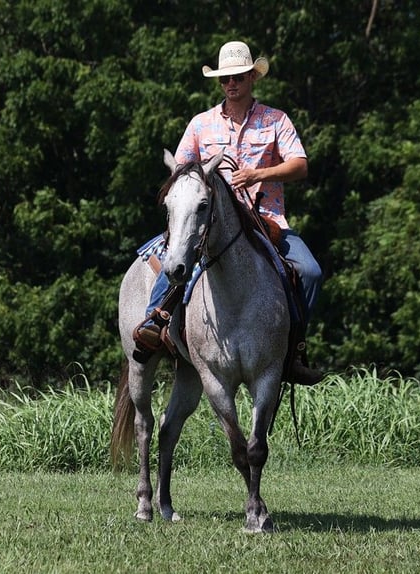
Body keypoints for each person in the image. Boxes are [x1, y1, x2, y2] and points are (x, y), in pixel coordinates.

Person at [134, 40, 323, 385]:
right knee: (176, 254)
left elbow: (299, 166)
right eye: (225, 79)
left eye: (237, 77)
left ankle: (293, 351)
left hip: (266, 219)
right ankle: (154, 320)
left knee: (310, 272)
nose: (231, 84)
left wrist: (258, 174)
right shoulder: (200, 124)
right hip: (209, 221)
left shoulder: (275, 120)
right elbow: (180, 171)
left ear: (252, 77)